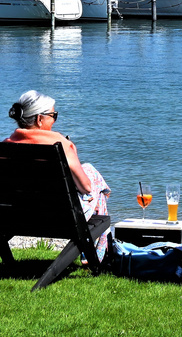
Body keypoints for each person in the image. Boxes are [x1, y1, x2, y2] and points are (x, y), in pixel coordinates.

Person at [6, 91, 111, 248]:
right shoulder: (59, 144)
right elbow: (86, 188)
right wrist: (72, 153)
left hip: (14, 216)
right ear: (39, 119)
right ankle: (99, 253)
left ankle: (99, 253)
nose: (54, 120)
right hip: (58, 218)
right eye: (53, 115)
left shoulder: (6, 147)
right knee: (92, 179)